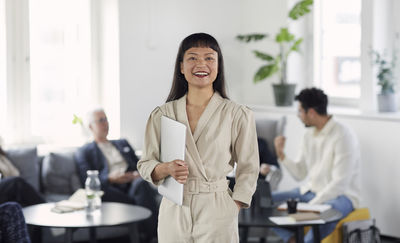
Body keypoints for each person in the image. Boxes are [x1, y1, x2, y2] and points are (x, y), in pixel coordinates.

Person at [137, 32, 260, 243]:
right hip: (174, 207)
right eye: (192, 57)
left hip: (217, 208)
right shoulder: (163, 114)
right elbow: (146, 163)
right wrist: (166, 169)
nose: (201, 64)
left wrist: (235, 205)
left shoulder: (237, 114)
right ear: (181, 67)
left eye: (209, 58)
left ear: (218, 66)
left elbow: (249, 167)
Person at [272, 87, 361, 243]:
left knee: (327, 212)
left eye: (300, 111)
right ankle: (292, 239)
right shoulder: (308, 135)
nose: (299, 116)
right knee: (262, 201)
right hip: (310, 192)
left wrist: (310, 205)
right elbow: (300, 173)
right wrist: (282, 155)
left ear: (311, 112)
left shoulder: (343, 135)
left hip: (341, 197)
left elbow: (339, 184)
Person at [74, 108, 159, 241]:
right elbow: (87, 180)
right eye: (101, 120)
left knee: (141, 184)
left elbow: (141, 166)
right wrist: (110, 178)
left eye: (106, 119)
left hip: (133, 183)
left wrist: (137, 174)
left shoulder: (122, 143)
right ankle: (152, 236)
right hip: (111, 189)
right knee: (138, 192)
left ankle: (151, 236)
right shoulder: (84, 151)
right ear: (91, 126)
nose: (105, 123)